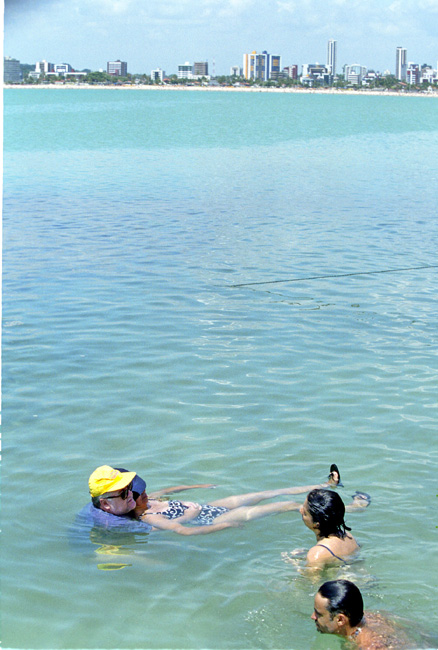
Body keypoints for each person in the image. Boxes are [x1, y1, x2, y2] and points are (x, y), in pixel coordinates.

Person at [87, 464, 341, 536]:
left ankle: (325, 486)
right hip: (215, 518)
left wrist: (196, 486)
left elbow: (171, 490)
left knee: (267, 492)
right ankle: (347, 509)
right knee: (283, 505)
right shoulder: (147, 515)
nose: (142, 494)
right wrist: (224, 525)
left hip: (211, 506)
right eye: (134, 494)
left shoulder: (147, 499)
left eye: (140, 490)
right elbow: (183, 531)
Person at [311, 579, 413, 649]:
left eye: (318, 614)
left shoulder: (369, 647)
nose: (313, 616)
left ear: (340, 620)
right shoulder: (371, 617)